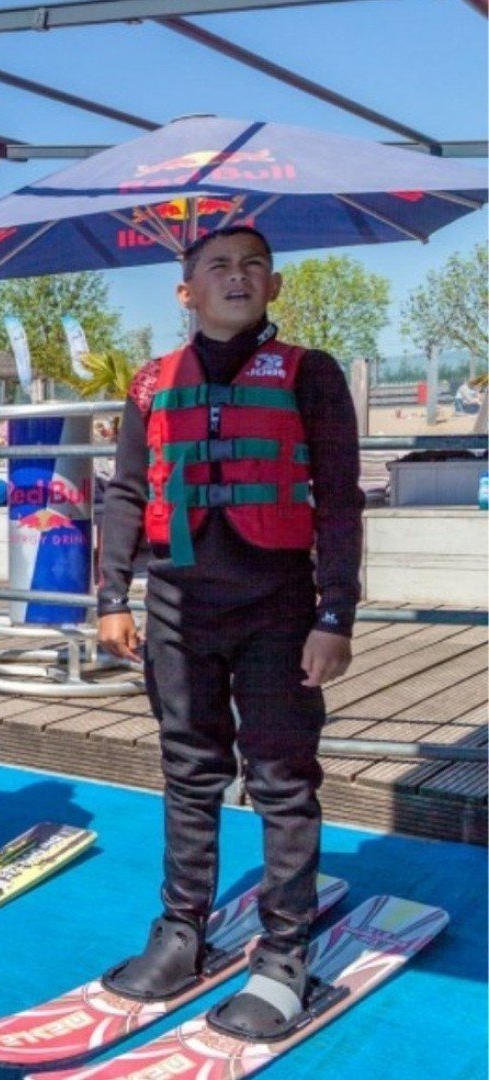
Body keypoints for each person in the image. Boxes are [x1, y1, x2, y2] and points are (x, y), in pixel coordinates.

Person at [96, 226, 361, 1041]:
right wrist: (111, 597)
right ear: (186, 293)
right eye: (217, 266)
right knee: (188, 770)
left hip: (278, 607)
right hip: (178, 608)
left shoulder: (311, 374)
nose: (236, 277)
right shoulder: (150, 384)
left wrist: (335, 614)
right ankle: (182, 932)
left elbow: (340, 499)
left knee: (281, 777)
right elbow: (127, 493)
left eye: (253, 266)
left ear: (274, 287)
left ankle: (284, 957)